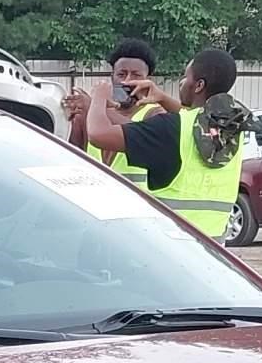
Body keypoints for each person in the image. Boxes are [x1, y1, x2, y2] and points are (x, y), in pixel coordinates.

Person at [79, 46, 249, 238]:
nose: (182, 83)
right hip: (211, 251)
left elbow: (98, 134)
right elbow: (194, 117)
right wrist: (162, 97)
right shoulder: (232, 129)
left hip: (171, 247)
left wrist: (98, 98)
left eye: (186, 77)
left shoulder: (169, 128)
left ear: (199, 85)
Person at [65, 39, 170, 186]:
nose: (127, 81)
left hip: (137, 205)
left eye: (136, 75)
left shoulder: (156, 114)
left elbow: (141, 136)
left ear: (148, 80)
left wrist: (95, 105)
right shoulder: (90, 113)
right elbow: (69, 156)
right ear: (112, 77)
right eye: (121, 74)